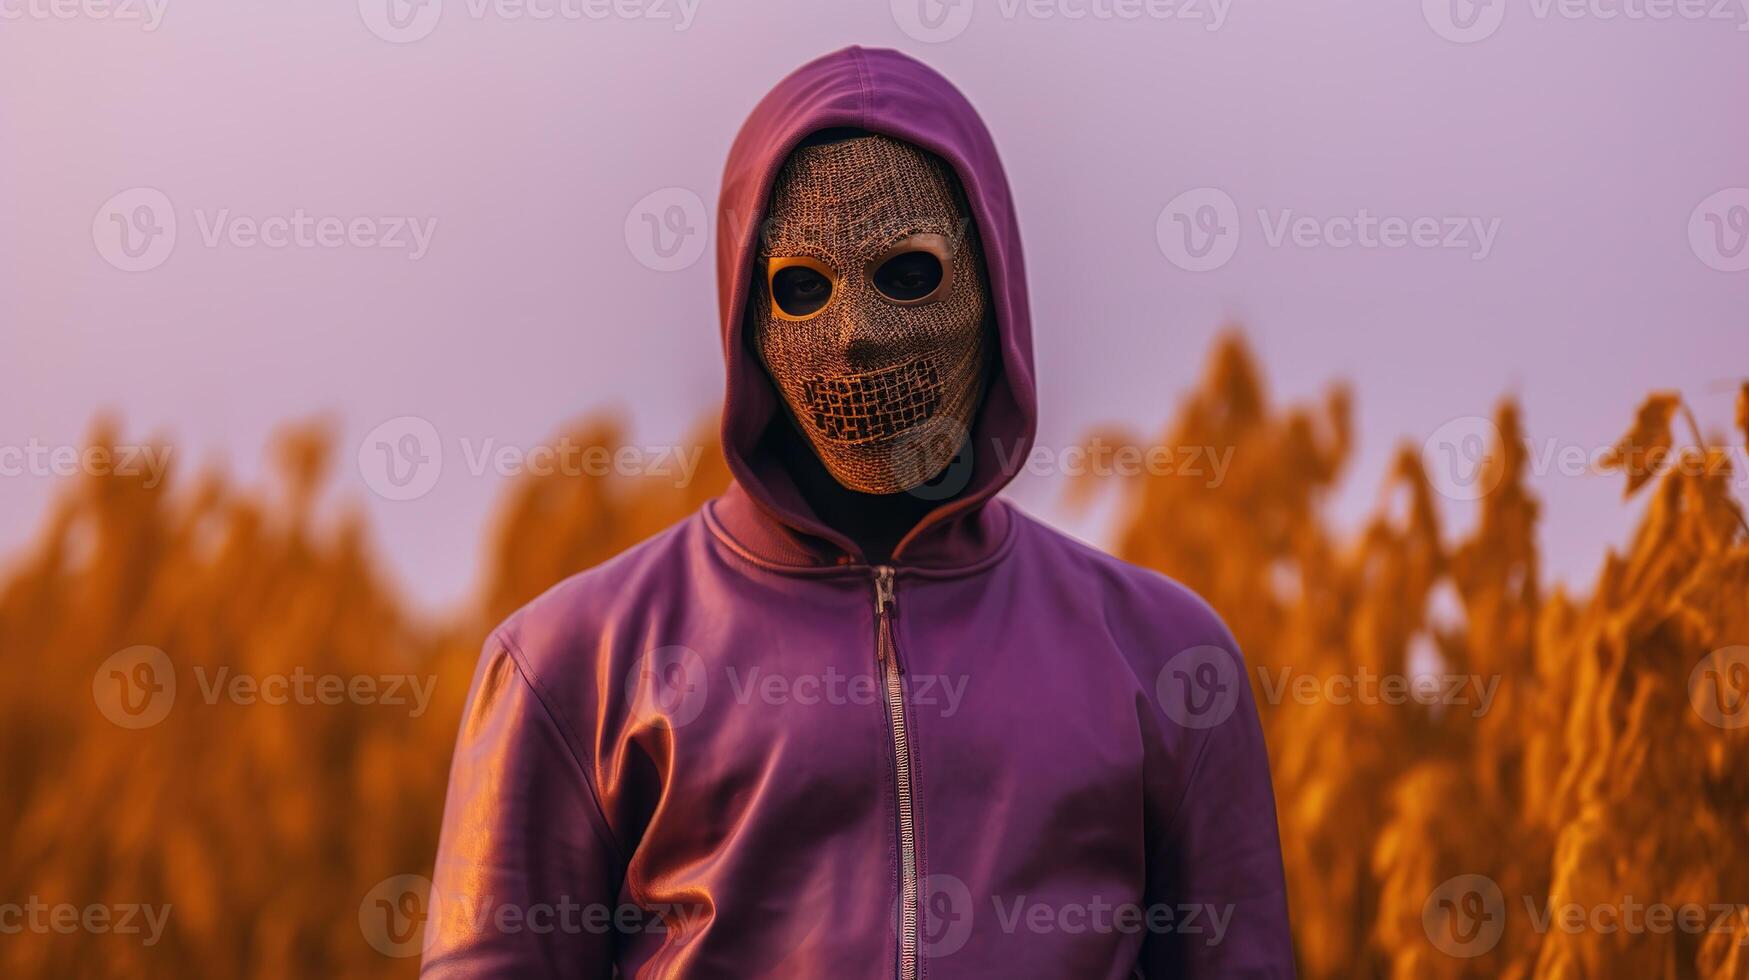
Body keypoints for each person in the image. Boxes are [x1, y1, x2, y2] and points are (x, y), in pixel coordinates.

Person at [423, 45, 1292, 978]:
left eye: (908, 273)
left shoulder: (1160, 656)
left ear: (993, 280)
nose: (857, 336)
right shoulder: (571, 666)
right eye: (802, 286)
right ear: (743, 311)